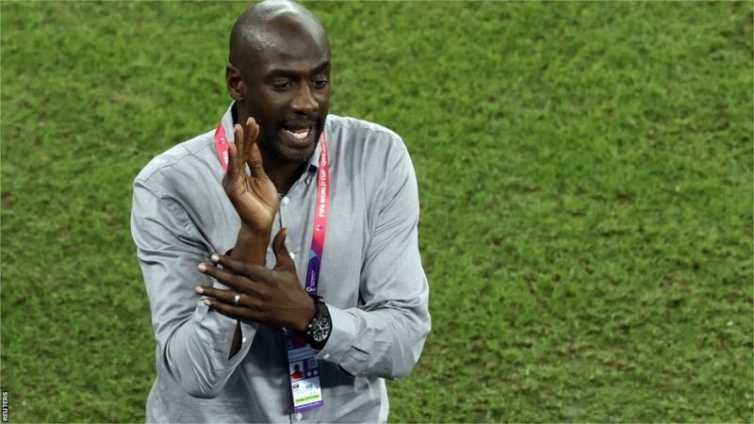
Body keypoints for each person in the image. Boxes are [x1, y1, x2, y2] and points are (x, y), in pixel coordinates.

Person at [130, 0, 430, 422]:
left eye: (319, 81)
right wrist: (252, 240)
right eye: (283, 84)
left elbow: (404, 341)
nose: (307, 102)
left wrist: (309, 317)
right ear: (237, 83)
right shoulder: (170, 187)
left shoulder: (376, 158)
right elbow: (195, 375)